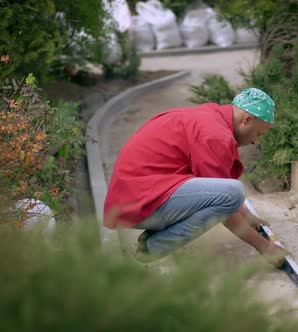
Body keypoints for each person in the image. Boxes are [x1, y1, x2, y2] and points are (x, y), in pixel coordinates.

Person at [104, 87, 287, 267]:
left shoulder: (211, 116)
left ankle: (149, 244)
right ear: (247, 119)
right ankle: (151, 250)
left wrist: (246, 215)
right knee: (234, 192)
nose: (255, 141)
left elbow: (216, 192)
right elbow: (225, 204)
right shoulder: (215, 135)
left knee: (230, 195)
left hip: (133, 199)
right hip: (137, 205)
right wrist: (264, 247)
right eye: (258, 133)